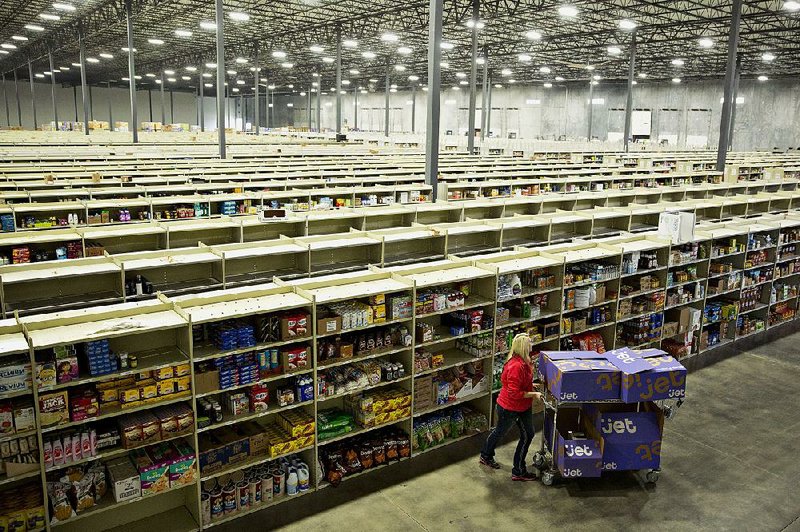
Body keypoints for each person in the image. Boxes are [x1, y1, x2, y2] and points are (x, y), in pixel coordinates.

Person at [479, 333, 541, 481]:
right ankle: (517, 470)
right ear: (523, 347)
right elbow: (514, 393)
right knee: (503, 432)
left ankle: (487, 455)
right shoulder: (516, 366)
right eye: (529, 342)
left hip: (522, 406)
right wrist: (533, 394)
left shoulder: (524, 361)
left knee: (527, 434)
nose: (532, 344)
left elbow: (519, 384)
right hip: (509, 407)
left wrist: (531, 386)